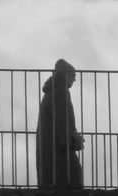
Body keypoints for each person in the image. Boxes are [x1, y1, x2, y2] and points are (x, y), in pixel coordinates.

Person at [36, 58, 84, 188]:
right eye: (73, 75)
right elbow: (62, 118)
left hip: (49, 144)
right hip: (59, 145)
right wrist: (67, 143)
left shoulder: (51, 91)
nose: (75, 79)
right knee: (73, 178)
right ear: (66, 74)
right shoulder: (61, 91)